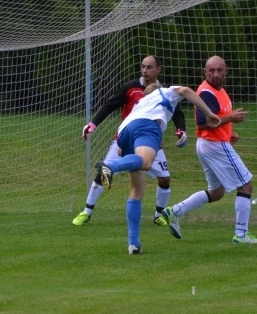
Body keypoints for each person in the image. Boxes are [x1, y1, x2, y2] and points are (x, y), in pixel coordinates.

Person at [96, 82, 220, 254]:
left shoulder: (140, 104)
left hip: (125, 131)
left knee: (137, 189)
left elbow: (120, 148)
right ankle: (111, 166)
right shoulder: (165, 92)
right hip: (146, 127)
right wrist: (209, 113)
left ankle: (134, 244)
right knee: (146, 163)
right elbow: (185, 90)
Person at [160, 55, 257, 244]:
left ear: (226, 71)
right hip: (213, 145)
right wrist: (230, 119)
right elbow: (203, 123)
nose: (216, 74)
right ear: (205, 72)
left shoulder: (219, 91)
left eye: (219, 70)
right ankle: (241, 235)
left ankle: (175, 211)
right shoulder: (206, 92)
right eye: (211, 70)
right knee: (246, 185)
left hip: (209, 143)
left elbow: (215, 120)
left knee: (217, 192)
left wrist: (228, 131)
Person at [74, 55, 187, 227]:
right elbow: (110, 105)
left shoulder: (164, 91)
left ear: (158, 69)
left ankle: (159, 215)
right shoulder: (130, 88)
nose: (145, 70)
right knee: (103, 173)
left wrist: (181, 130)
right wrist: (93, 124)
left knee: (164, 179)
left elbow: (177, 113)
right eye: (143, 67)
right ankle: (86, 212)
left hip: (150, 141)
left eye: (149, 67)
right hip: (125, 139)